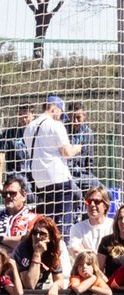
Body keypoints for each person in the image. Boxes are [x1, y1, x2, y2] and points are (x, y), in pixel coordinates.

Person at [24, 95, 81, 226]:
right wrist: (77, 148)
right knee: (63, 221)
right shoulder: (56, 125)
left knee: (49, 219)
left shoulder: (29, 128)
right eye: (60, 112)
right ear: (54, 109)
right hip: (58, 177)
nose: (60, 116)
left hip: (39, 180)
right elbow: (67, 152)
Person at [13, 215, 68, 295]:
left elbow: (60, 280)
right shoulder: (23, 248)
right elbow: (30, 285)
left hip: (35, 293)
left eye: (42, 234)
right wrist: (37, 253)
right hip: (12, 293)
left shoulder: (53, 251)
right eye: (35, 232)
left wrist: (55, 286)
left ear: (50, 237)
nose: (37, 236)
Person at [66, 185, 113, 262]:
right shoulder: (77, 228)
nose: (92, 205)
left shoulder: (113, 226)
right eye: (89, 202)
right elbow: (75, 251)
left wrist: (85, 251)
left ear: (105, 205)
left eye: (96, 201)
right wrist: (99, 255)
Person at [65, 102, 99, 192]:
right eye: (72, 117)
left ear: (84, 116)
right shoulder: (63, 131)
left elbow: (90, 160)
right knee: (77, 194)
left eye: (78, 117)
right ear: (69, 116)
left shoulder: (88, 133)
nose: (75, 121)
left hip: (83, 175)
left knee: (105, 192)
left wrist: (89, 175)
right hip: (67, 175)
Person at [0, 104, 34, 186]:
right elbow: (1, 157)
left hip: (35, 177)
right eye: (20, 115)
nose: (23, 119)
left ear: (33, 115)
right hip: (15, 178)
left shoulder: (38, 133)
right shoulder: (9, 134)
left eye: (26, 116)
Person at [0, 175, 38, 250]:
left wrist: (2, 239)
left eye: (12, 193)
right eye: (5, 194)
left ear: (24, 196)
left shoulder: (35, 219)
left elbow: (28, 242)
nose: (8, 196)